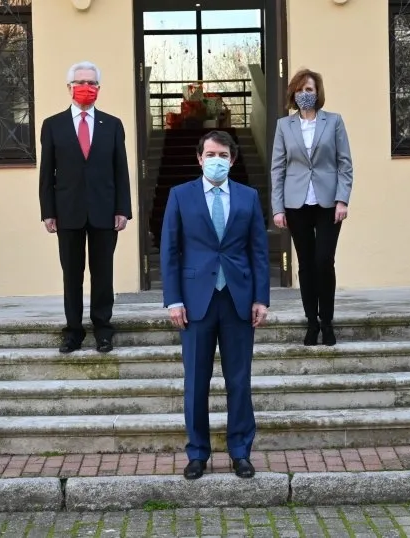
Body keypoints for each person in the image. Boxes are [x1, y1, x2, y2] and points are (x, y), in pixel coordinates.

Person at [161, 130, 270, 480]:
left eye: (222, 154)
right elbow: (170, 251)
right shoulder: (180, 196)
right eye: (210, 154)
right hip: (195, 302)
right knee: (196, 381)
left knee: (239, 380)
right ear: (199, 158)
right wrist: (173, 299)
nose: (216, 160)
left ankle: (240, 452)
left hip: (238, 299)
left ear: (232, 159)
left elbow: (258, 252)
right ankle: (197, 453)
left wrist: (261, 298)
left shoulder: (248, 197)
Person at [39, 61, 132, 354]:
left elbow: (121, 171)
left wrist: (123, 209)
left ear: (99, 89)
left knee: (103, 274)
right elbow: (47, 172)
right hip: (68, 212)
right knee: (72, 274)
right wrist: (48, 211)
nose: (85, 87)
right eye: (80, 82)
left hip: (105, 211)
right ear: (69, 88)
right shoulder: (53, 125)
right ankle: (73, 331)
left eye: (91, 82)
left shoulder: (113, 124)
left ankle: (103, 330)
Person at [270, 68, 353, 346]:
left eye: (310, 89)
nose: (305, 94)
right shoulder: (284, 126)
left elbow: (345, 163)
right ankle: (311, 322)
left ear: (318, 93)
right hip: (295, 203)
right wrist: (278, 208)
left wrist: (343, 199)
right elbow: (278, 168)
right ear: (293, 93)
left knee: (323, 261)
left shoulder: (334, 122)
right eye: (301, 90)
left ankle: (327, 321)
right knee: (305, 264)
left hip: (328, 203)